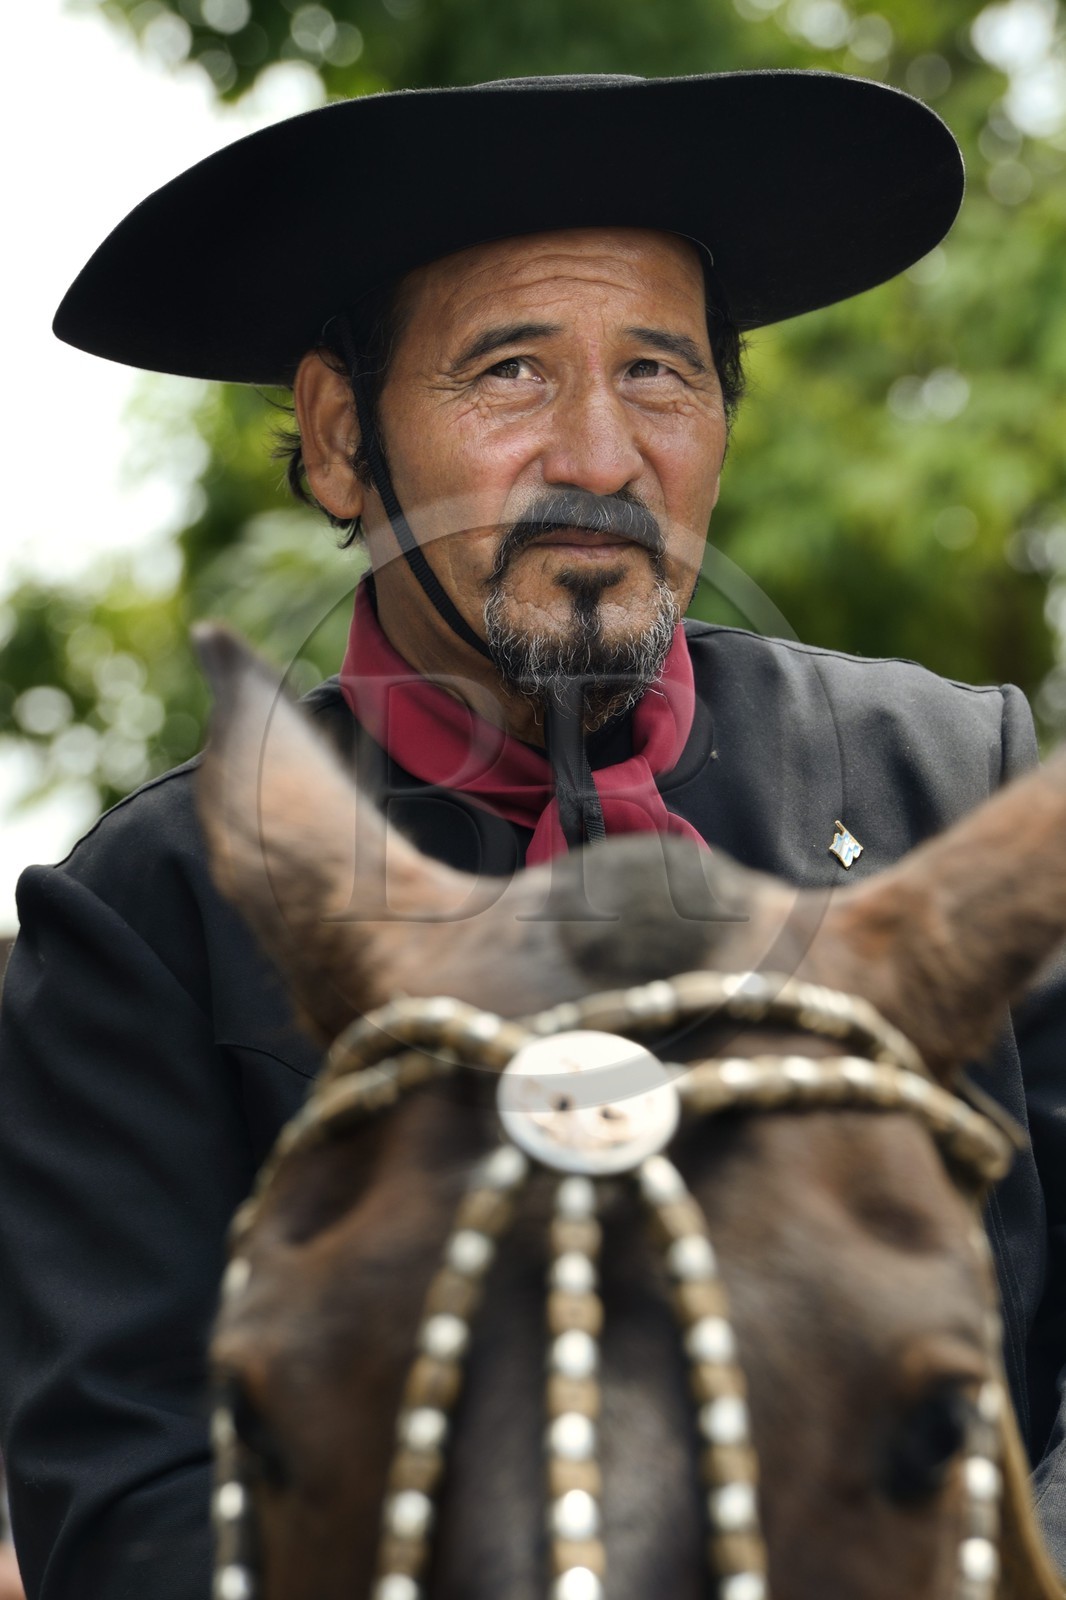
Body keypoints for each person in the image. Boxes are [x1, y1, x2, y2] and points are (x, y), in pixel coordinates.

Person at [0, 69, 1064, 1600]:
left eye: (658, 374)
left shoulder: (951, 783)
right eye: (509, 371)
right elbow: (130, 1510)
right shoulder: (154, 913)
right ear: (338, 439)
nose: (600, 455)